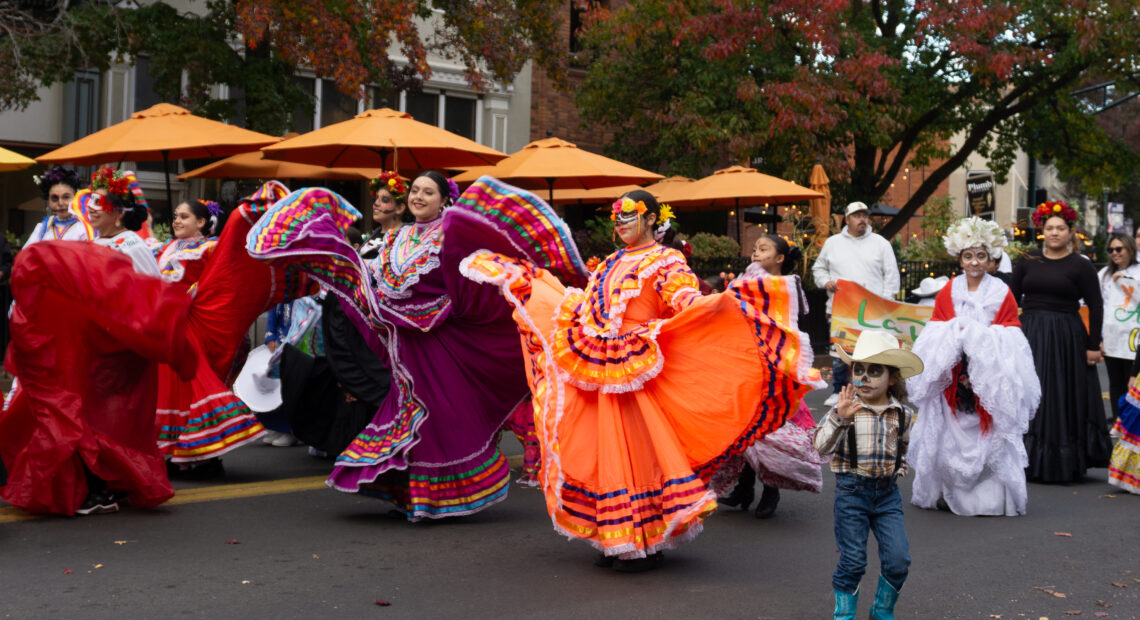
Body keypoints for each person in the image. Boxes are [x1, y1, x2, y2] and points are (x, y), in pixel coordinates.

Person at [462, 188, 822, 571]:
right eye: (616, 217)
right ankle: (613, 537)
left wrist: (720, 305)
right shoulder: (610, 262)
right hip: (599, 366)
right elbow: (588, 305)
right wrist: (543, 292)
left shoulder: (666, 259)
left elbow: (684, 301)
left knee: (640, 456)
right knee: (604, 453)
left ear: (651, 219)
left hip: (638, 371)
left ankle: (647, 542)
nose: (619, 223)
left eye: (628, 216)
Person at [247, 174, 552, 521]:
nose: (419, 197)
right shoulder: (395, 237)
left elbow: (467, 288)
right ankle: (409, 495)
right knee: (407, 414)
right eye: (415, 191)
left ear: (443, 200)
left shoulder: (451, 238)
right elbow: (374, 279)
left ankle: (433, 499)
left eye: (428, 192)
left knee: (436, 418)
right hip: (402, 342)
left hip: (439, 342)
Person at [907, 217, 1041, 516]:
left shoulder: (1001, 292)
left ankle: (990, 498)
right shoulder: (948, 290)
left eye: (981, 256)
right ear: (960, 259)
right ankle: (947, 490)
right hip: (955, 370)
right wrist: (956, 334)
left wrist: (981, 336)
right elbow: (937, 327)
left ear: (991, 258)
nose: (975, 262)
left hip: (988, 374)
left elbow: (1010, 328)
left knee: (990, 430)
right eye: (968, 256)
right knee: (948, 429)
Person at [814, 330, 922, 620]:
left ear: (893, 378)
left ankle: (882, 611)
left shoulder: (903, 413)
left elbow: (903, 445)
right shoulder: (844, 408)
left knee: (899, 560)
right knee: (853, 561)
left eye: (874, 371)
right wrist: (840, 418)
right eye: (858, 369)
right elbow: (820, 447)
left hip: (887, 495)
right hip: (851, 493)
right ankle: (844, 616)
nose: (864, 377)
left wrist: (898, 465)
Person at [719, 235, 823, 518]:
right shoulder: (745, 282)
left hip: (772, 366)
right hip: (744, 361)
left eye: (763, 249)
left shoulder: (785, 288)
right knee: (741, 427)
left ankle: (770, 490)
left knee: (767, 429)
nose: (755, 253)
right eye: (754, 249)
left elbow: (788, 326)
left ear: (779, 258)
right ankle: (743, 488)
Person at [1011, 201, 1110, 483]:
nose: (1054, 232)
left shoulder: (1081, 265)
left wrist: (1093, 344)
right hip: (1030, 333)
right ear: (1042, 230)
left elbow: (1096, 305)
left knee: (1062, 395)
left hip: (1067, 335)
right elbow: (1009, 299)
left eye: (1060, 228)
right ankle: (1026, 458)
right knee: (1029, 393)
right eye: (1049, 228)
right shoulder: (1027, 260)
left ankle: (1064, 460)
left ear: (1070, 232)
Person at [813, 201, 901, 406]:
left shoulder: (881, 243)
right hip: (841, 309)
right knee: (840, 353)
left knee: (873, 352)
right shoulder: (833, 243)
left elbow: (891, 275)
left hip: (873, 311)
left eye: (865, 215)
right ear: (847, 219)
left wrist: (886, 302)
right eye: (857, 215)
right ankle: (838, 391)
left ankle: (873, 392)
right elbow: (819, 269)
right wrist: (825, 282)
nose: (862, 219)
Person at [87, 167, 160, 277]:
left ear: (119, 213)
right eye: (92, 200)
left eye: (99, 202)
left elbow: (153, 288)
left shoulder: (133, 247)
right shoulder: (93, 242)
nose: (90, 208)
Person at [1098, 233, 1140, 420]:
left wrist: (1128, 282)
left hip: (1134, 337)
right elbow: (1098, 306)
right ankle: (1118, 419)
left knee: (1132, 381)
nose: (1115, 253)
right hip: (1111, 337)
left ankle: (1132, 421)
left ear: (1130, 249)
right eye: (1111, 250)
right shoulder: (1103, 275)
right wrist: (1098, 338)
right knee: (1115, 382)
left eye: (1119, 249)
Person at [156, 199, 223, 289]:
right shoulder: (164, 246)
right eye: (175, 217)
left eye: (184, 217)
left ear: (200, 222)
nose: (176, 221)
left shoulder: (209, 247)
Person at [26, 165, 94, 246]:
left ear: (75, 197)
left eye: (66, 197)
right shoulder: (42, 228)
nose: (60, 203)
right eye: (54, 198)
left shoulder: (84, 228)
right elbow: (27, 254)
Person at [359, 171, 408, 260]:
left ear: (400, 208)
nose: (376, 203)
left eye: (385, 200)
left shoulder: (406, 237)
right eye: (376, 198)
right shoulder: (373, 234)